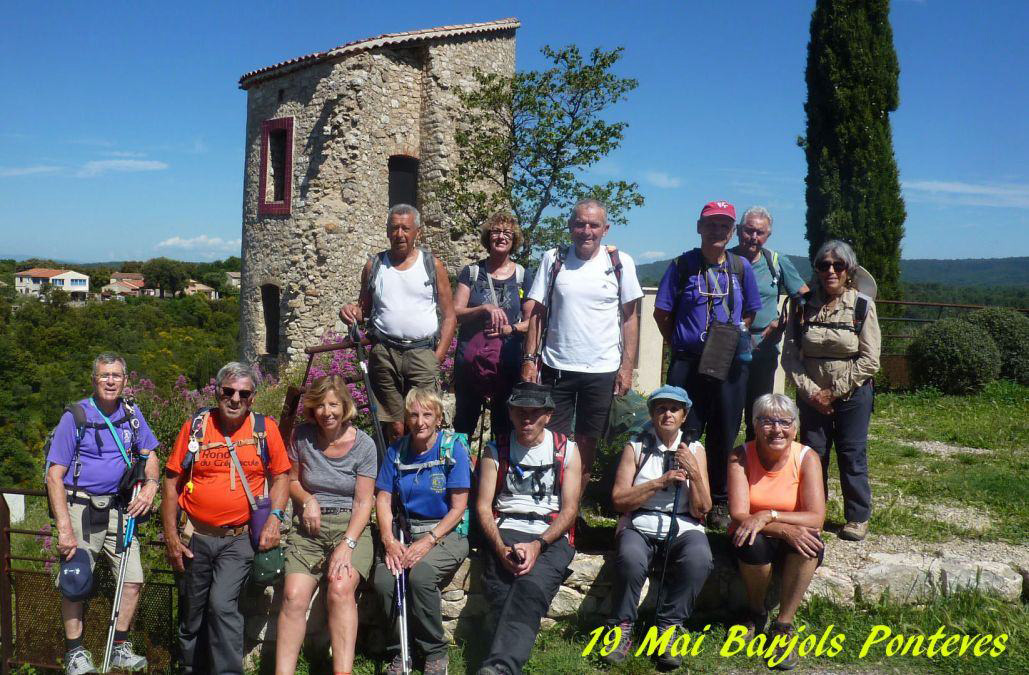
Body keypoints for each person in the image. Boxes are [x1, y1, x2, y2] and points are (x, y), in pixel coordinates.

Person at [162, 362, 291, 675]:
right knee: (191, 612)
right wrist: (171, 538)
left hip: (237, 539)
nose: (235, 399)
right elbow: (170, 483)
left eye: (243, 393)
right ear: (217, 391)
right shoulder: (196, 426)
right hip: (196, 537)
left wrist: (275, 517)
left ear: (252, 397)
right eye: (228, 391)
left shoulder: (264, 429)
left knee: (222, 605)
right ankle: (189, 667)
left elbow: (282, 476)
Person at [45, 353, 161, 674]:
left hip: (119, 508)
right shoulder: (77, 416)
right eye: (104, 375)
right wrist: (64, 528)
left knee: (133, 580)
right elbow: (54, 475)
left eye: (117, 376)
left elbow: (149, 453)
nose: (111, 381)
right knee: (76, 580)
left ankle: (121, 647)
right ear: (94, 380)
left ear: (125, 381)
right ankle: (76, 654)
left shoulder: (132, 414)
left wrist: (151, 484)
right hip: (80, 508)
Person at [653, 200, 762, 529]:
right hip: (688, 362)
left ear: (732, 232)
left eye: (723, 226)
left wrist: (726, 338)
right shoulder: (682, 265)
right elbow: (662, 312)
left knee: (725, 430)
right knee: (683, 429)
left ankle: (719, 500)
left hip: (728, 363)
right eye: (711, 224)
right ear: (699, 228)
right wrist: (680, 342)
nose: (717, 231)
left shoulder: (741, 268)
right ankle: (679, 492)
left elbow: (750, 311)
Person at [521, 198, 643, 489]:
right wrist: (528, 359)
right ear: (570, 226)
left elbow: (630, 319)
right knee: (553, 439)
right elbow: (538, 311)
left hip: (602, 369)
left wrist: (627, 368)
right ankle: (552, 500)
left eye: (593, 225)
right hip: (556, 366)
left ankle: (574, 508)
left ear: (605, 229)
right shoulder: (554, 259)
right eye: (580, 224)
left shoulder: (619, 263)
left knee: (588, 443)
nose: (586, 231)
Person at [603, 385, 713, 671]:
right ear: (652, 414)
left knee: (700, 559)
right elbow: (618, 500)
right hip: (640, 521)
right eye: (661, 409)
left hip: (683, 524)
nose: (667, 414)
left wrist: (696, 474)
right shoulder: (636, 447)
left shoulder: (696, 449)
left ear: (684, 415)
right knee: (629, 558)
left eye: (674, 409)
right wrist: (659, 483)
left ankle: (669, 627)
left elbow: (703, 509)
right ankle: (622, 626)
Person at [475, 382, 582, 675]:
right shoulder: (496, 450)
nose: (526, 419)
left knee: (529, 587)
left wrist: (538, 545)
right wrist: (500, 549)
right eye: (520, 412)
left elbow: (570, 509)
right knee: (501, 590)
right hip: (506, 528)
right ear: (510, 413)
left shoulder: (567, 450)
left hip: (550, 533)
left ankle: (499, 667)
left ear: (547, 415)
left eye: (534, 413)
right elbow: (484, 506)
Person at [275, 376, 377, 675]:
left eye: (333, 404)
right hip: (309, 528)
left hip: (350, 526)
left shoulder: (364, 445)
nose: (327, 412)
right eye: (320, 405)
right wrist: (307, 499)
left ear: (345, 406)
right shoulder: (302, 436)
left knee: (341, 589)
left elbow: (363, 503)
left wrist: (348, 545)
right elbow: (291, 480)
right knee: (293, 596)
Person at [783, 240, 880, 541]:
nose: (831, 271)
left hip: (853, 393)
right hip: (812, 396)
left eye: (838, 265)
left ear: (849, 270)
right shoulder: (801, 305)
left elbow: (870, 359)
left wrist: (833, 391)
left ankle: (857, 516)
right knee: (813, 454)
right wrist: (812, 392)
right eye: (823, 265)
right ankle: (814, 512)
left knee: (851, 454)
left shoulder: (862, 306)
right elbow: (789, 355)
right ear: (816, 269)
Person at [372, 388, 471, 675]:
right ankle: (399, 651)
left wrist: (428, 541)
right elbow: (383, 498)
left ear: (439, 418)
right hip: (404, 530)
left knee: (421, 576)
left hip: (446, 532)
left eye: (427, 414)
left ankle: (434, 651)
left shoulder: (453, 450)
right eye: (414, 414)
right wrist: (388, 540)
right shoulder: (396, 451)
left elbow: (458, 507)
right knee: (384, 580)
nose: (420, 421)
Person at [339, 203, 457, 441]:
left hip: (422, 352)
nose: (399, 234)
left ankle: (421, 473)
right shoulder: (375, 266)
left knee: (423, 422)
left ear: (418, 232)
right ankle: (394, 474)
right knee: (395, 428)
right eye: (394, 228)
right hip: (385, 353)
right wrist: (350, 312)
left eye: (405, 228)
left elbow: (449, 315)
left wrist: (438, 356)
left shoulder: (432, 265)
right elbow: (364, 310)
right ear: (387, 231)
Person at [727, 393, 825, 670]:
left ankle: (783, 626)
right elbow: (739, 513)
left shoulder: (807, 457)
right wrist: (781, 528)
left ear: (795, 427)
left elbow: (816, 517)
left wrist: (769, 516)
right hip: (754, 534)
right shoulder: (740, 455)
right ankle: (756, 613)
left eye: (784, 422)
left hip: (783, 528)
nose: (777, 430)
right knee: (751, 542)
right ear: (755, 426)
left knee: (808, 543)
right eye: (767, 422)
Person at [729, 207, 808, 441]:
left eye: (760, 233)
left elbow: (803, 296)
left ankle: (755, 468)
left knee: (758, 414)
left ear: (768, 235)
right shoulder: (726, 259)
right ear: (738, 231)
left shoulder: (776, 262)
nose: (754, 237)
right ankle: (724, 471)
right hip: (727, 348)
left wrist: (785, 322)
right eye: (749, 231)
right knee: (727, 414)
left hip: (763, 349)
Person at [453, 212, 532, 440]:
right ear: (488, 237)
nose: (501, 237)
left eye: (507, 233)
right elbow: (455, 313)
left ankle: (497, 473)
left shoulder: (523, 276)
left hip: (506, 364)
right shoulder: (472, 273)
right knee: (463, 425)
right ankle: (462, 474)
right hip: (471, 365)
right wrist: (484, 308)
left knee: (504, 426)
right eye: (496, 232)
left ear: (514, 239)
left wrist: (511, 329)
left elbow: (532, 323)